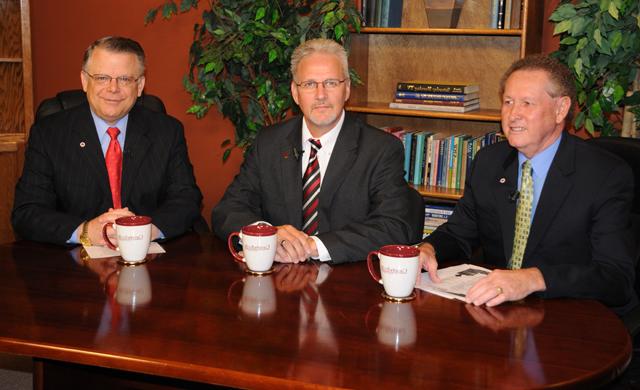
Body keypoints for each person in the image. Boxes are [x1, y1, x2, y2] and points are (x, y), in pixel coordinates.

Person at [419, 55, 636, 311]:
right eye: (508, 102)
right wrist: (428, 248)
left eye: (527, 103)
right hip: (499, 310)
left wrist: (535, 278)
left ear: (560, 109)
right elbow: (460, 232)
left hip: (572, 315)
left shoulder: (605, 175)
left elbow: (615, 278)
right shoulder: (489, 162)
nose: (513, 115)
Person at [212, 38, 422, 264]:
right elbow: (227, 210)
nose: (321, 94)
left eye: (331, 83)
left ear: (347, 89)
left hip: (346, 285)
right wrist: (266, 236)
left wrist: (312, 246)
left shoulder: (381, 149)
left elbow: (393, 226)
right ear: (295, 92)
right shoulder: (269, 142)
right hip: (279, 282)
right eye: (310, 84)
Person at [12, 36, 203, 246]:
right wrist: (84, 231)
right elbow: (27, 211)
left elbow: (186, 199)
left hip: (149, 259)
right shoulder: (48, 134)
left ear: (139, 85)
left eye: (124, 79)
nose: (113, 88)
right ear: (85, 81)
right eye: (102, 78)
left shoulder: (167, 131)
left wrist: (146, 230)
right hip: (73, 266)